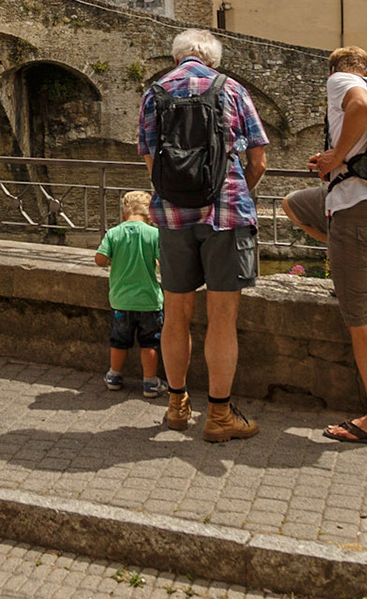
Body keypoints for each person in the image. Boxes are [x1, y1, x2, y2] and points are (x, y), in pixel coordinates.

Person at [138, 28, 268, 442]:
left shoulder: (155, 92)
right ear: (212, 59)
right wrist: (236, 191)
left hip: (173, 216)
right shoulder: (232, 89)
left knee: (175, 315)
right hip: (226, 215)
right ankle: (219, 415)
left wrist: (178, 192)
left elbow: (150, 161)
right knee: (222, 319)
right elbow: (259, 160)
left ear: (177, 58)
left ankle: (177, 406)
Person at [282, 46, 367, 444]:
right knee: (293, 204)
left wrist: (337, 155)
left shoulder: (343, 81)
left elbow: (360, 107)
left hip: (356, 213)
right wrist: (335, 160)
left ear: (334, 69)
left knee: (361, 322)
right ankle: (339, 247)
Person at [95, 189, 163, 397]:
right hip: (149, 301)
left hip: (121, 301)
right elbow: (164, 261)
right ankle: (150, 382)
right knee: (150, 343)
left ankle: (114, 376)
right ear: (150, 216)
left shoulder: (113, 233)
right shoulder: (154, 234)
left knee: (119, 341)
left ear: (123, 215)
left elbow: (100, 259)